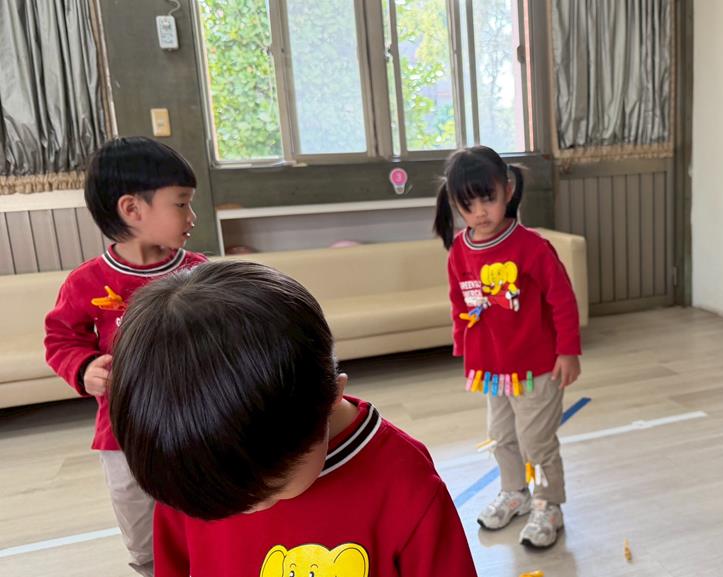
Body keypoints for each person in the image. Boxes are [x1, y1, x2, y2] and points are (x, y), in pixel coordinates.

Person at [107, 260, 478, 577]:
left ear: (330, 397)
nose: (245, 510)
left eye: (270, 489)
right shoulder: (192, 470)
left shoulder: (404, 484)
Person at [44, 136, 205, 576]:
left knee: (204, 511)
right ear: (132, 209)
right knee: (142, 528)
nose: (192, 216)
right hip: (123, 434)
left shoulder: (200, 272)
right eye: (181, 203)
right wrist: (83, 368)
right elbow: (60, 338)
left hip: (196, 424)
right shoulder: (86, 282)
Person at [433, 145, 582, 548]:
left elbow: (562, 300)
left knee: (537, 442)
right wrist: (464, 346)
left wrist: (568, 350)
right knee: (501, 437)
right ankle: (515, 492)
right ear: (455, 204)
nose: (480, 212)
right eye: (468, 205)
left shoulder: (532, 247)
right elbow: (460, 302)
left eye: (488, 198)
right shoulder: (459, 251)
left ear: (508, 190)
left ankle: (548, 503)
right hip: (493, 370)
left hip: (537, 368)